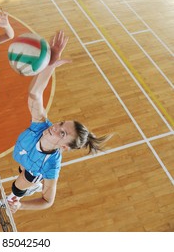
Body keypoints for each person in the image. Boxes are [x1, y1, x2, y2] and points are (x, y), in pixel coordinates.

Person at [6, 30, 111, 213]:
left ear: (64, 147)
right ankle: (29, 180)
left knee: (18, 185)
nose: (55, 127)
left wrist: (20, 205)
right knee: (22, 167)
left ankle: (28, 187)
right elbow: (34, 94)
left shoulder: (51, 165)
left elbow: (48, 201)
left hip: (34, 169)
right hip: (25, 157)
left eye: (62, 133)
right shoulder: (40, 125)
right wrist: (51, 63)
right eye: (61, 123)